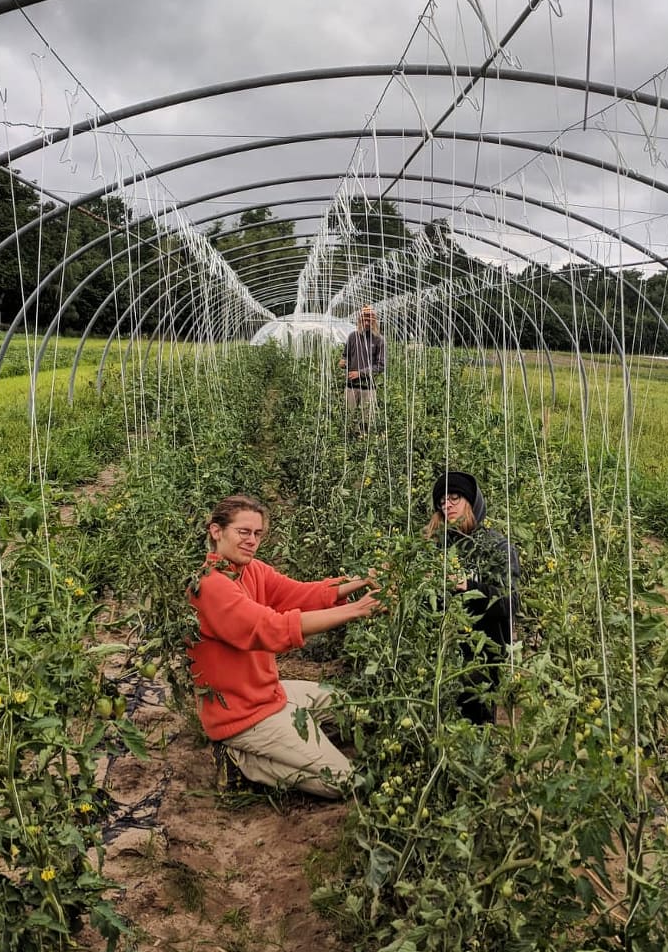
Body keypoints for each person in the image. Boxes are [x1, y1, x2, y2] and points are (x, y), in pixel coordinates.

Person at [186, 495, 382, 797]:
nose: (252, 541)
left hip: (268, 692)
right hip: (240, 714)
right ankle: (242, 762)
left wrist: (361, 581)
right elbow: (271, 628)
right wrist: (356, 610)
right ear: (216, 531)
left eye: (258, 534)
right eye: (243, 532)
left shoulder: (251, 570)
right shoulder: (210, 586)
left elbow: (301, 594)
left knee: (353, 711)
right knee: (345, 781)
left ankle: (284, 745)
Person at [423, 470, 520, 725]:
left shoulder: (496, 547)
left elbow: (510, 601)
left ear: (471, 501)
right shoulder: (436, 545)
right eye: (442, 501)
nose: (448, 504)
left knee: (475, 724)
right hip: (442, 651)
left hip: (482, 657)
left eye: (455, 497)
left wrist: (469, 586)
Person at [339, 306, 385, 434]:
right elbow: (345, 356)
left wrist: (360, 373)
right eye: (364, 317)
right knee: (349, 417)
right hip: (351, 387)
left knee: (367, 420)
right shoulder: (352, 337)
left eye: (370, 318)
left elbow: (381, 366)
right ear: (359, 319)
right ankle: (350, 443)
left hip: (368, 388)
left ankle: (364, 445)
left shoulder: (379, 340)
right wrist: (343, 362)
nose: (367, 321)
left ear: (375, 320)